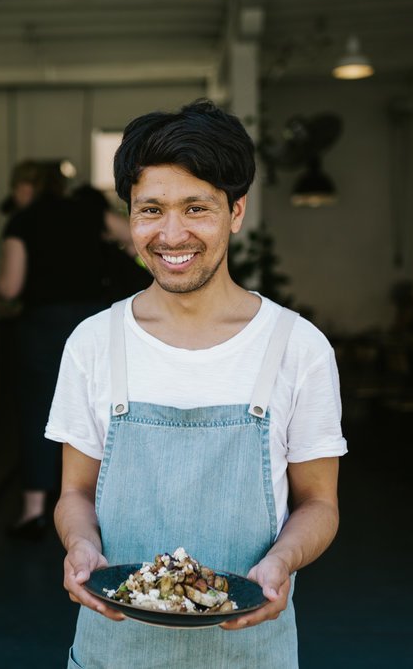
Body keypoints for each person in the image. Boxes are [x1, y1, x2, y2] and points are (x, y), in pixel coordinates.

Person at [48, 100, 346, 667]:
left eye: (196, 208)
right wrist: (80, 545)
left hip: (250, 654)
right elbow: (74, 493)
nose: (171, 234)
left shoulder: (296, 346)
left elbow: (319, 502)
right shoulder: (93, 343)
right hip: (114, 652)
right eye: (151, 209)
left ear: (236, 211)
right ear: (129, 216)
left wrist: (281, 561)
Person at [0, 161, 110, 539]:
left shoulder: (22, 221)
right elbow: (133, 235)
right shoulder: (87, 212)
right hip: (94, 321)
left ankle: (34, 512)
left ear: (26, 187)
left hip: (43, 325)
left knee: (37, 412)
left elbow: (11, 287)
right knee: (98, 411)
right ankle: (100, 506)